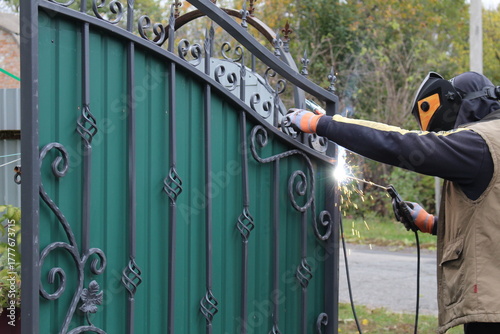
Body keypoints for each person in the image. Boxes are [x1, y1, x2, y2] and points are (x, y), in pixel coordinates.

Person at [288, 71, 500, 334]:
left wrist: (323, 125)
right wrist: (432, 224)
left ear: (461, 103)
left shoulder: (480, 144)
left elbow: (399, 142)